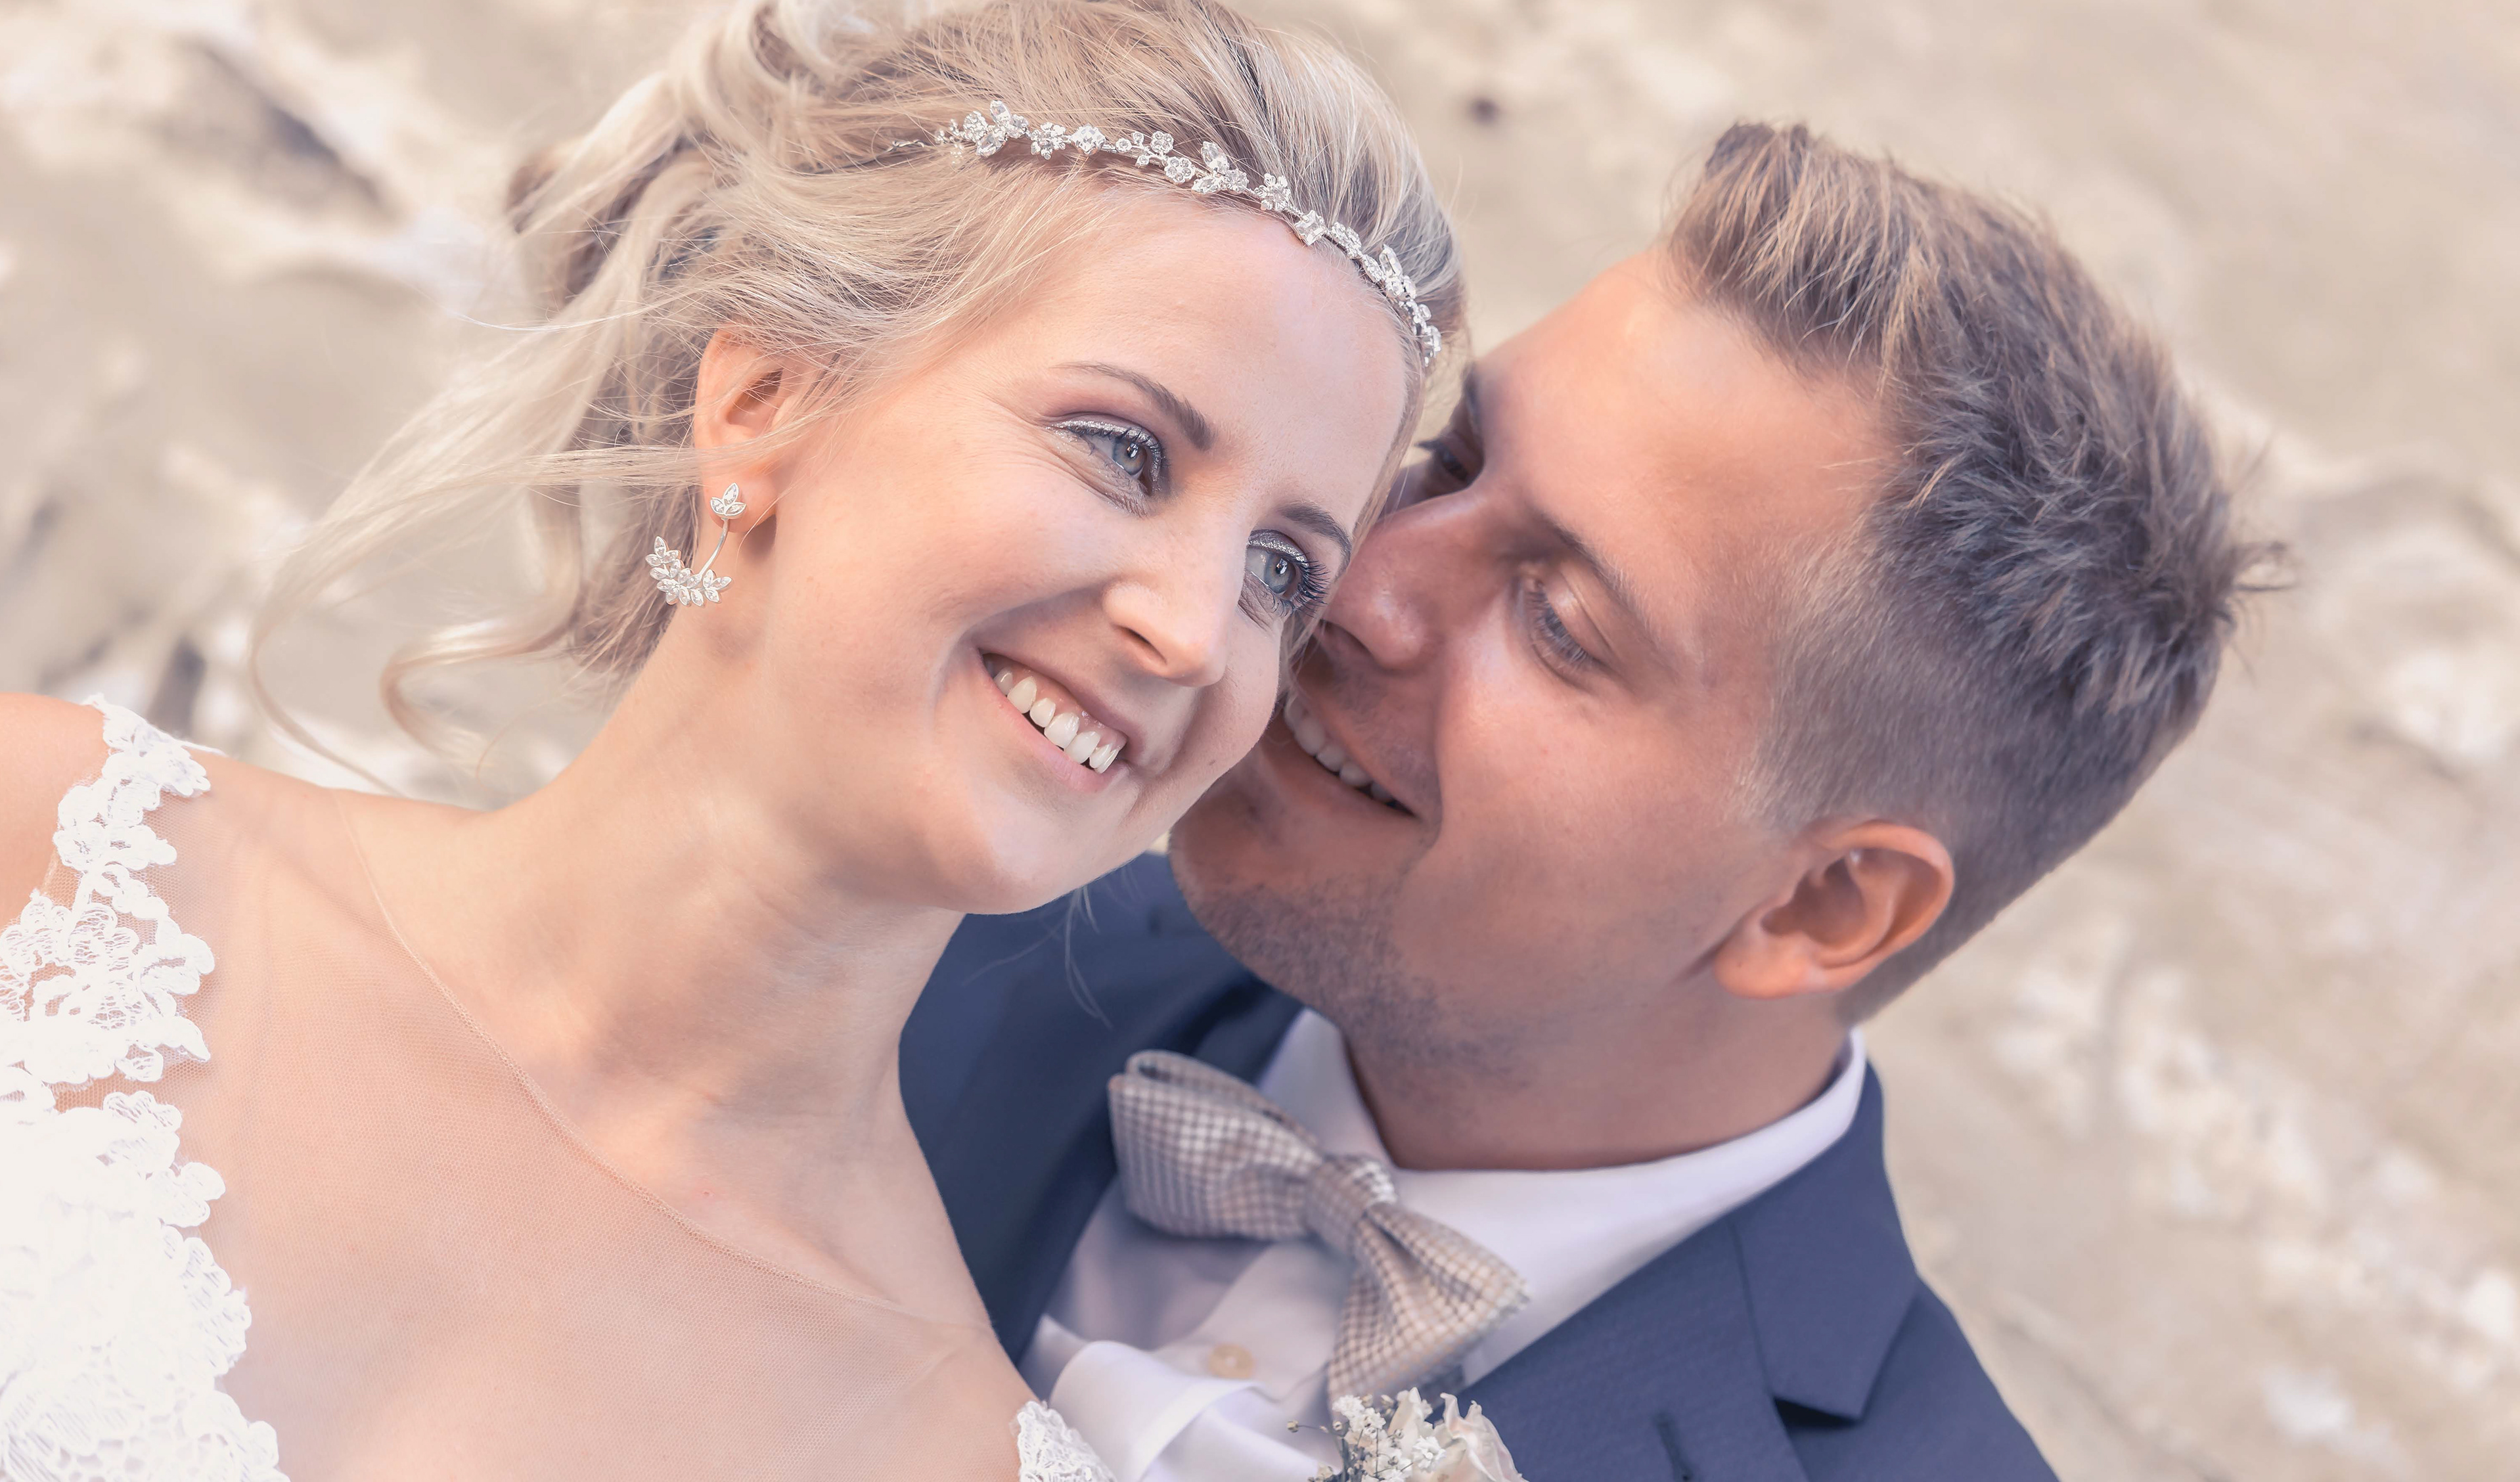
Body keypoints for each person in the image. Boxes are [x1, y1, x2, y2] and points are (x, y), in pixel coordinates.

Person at [0, 0, 1466, 1480]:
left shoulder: (960, 1450)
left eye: (1283, 571)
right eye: (1124, 449)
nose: (1193, 629)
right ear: (764, 402)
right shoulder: (51, 860)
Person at [904, 122, 2276, 1481]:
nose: (1355, 586)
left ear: (1822, 905)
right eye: (1452, 458)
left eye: (1557, 619)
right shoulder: (935, 921)